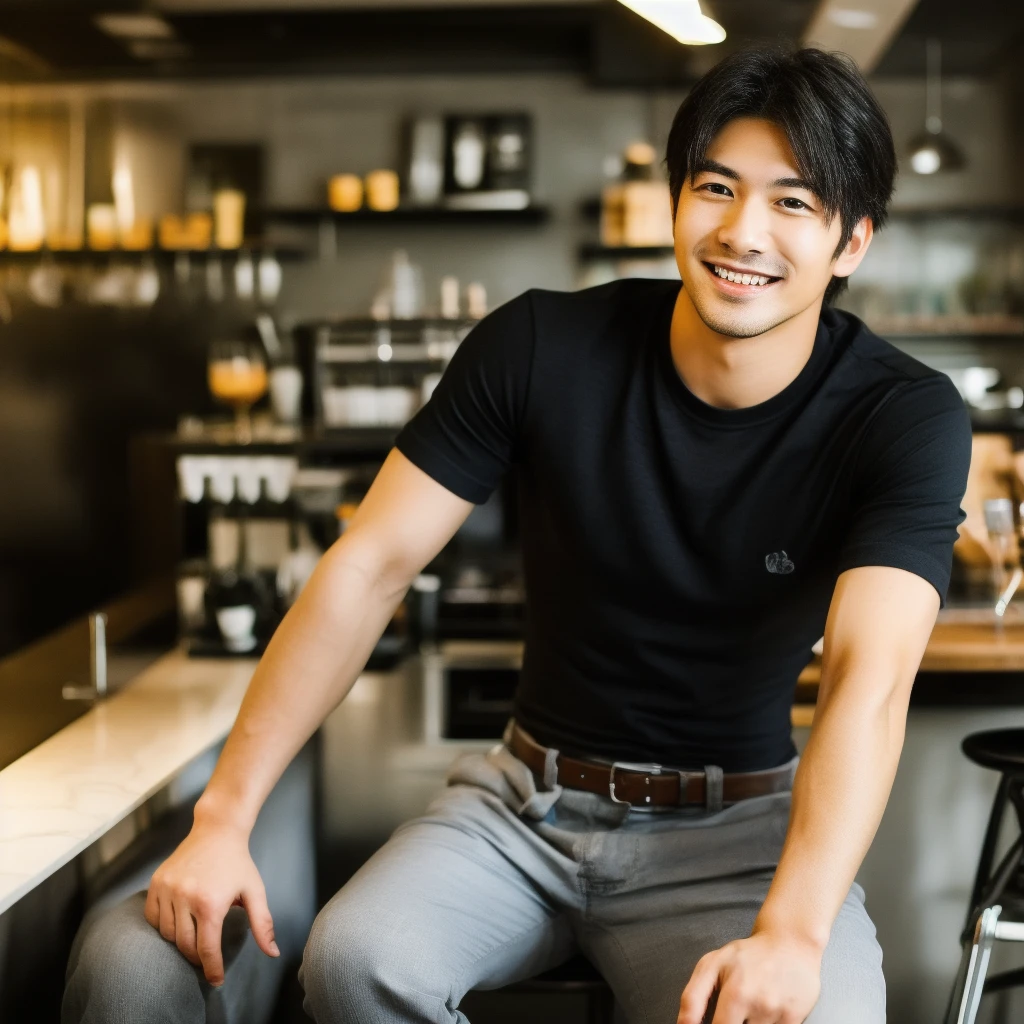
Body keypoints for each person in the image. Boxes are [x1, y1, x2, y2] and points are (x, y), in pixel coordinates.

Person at [66, 46, 972, 1024]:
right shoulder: (541, 345)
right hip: (520, 805)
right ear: (676, 200)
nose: (741, 231)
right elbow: (367, 566)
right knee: (353, 961)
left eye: (792, 203)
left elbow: (866, 680)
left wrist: (794, 933)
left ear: (852, 243)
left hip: (740, 827)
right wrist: (222, 816)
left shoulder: (901, 415)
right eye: (716, 187)